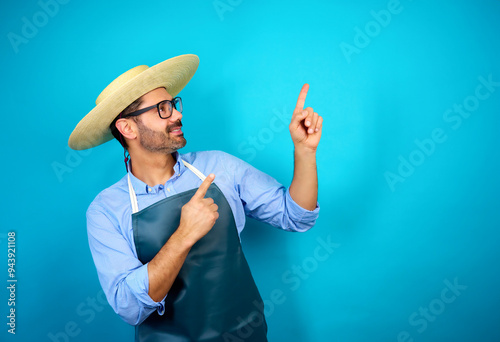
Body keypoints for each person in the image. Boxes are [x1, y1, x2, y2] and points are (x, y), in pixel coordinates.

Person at [68, 54, 322, 342]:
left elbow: (295, 216)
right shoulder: (106, 210)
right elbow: (130, 306)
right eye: (162, 108)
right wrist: (184, 234)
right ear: (127, 128)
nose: (177, 114)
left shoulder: (220, 167)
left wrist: (304, 152)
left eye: (174, 104)